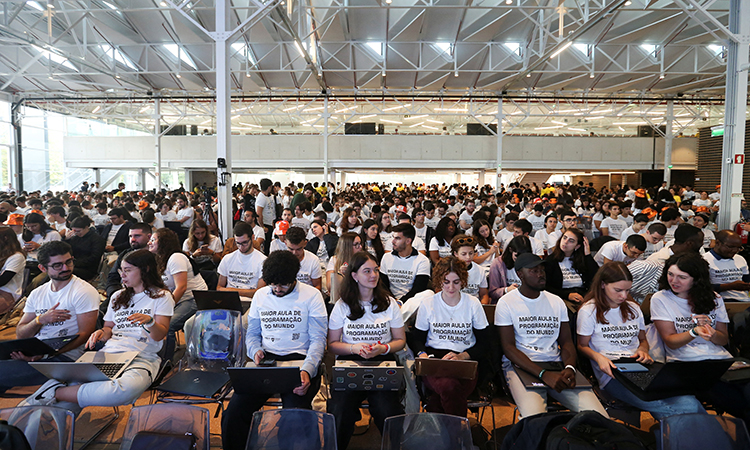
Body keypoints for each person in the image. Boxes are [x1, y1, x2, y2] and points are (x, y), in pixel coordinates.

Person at [21, 249, 174, 415]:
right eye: (121, 270)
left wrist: (150, 322)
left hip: (142, 357)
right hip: (110, 355)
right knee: (62, 406)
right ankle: (32, 426)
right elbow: (108, 329)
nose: (122, 275)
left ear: (146, 270)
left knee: (126, 390)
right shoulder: (118, 296)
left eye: (128, 270)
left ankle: (53, 392)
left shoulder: (162, 296)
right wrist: (101, 333)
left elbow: (159, 335)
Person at [221, 250, 327, 450]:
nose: (278, 289)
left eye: (283, 284)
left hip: (300, 362)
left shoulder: (312, 295)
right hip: (267, 361)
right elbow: (252, 334)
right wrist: (255, 351)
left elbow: (318, 340)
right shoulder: (261, 295)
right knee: (234, 412)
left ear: (294, 278)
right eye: (273, 284)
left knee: (293, 416)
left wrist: (308, 370)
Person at [577, 261, 706, 420]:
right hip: (611, 372)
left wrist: (643, 350)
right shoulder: (589, 310)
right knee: (667, 407)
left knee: (688, 400)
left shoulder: (632, 308)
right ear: (603, 285)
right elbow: (582, 345)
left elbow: (642, 340)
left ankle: (693, 436)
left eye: (627, 290)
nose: (623, 296)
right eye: (618, 290)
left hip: (638, 366)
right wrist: (598, 357)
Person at [496, 253, 608, 419]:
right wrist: (543, 374)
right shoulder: (506, 303)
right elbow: (509, 348)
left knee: (600, 417)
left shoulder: (556, 301)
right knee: (535, 419)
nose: (541, 274)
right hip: (521, 366)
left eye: (542, 270)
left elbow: (566, 341)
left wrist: (570, 367)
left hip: (556, 365)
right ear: (520, 274)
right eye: (534, 271)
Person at [651, 252, 750, 426]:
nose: (674, 281)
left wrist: (711, 334)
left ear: (696, 279)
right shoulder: (661, 298)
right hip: (687, 364)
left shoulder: (714, 298)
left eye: (682, 277)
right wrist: (694, 332)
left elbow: (723, 339)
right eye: (670, 274)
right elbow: (671, 341)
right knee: (739, 403)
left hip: (720, 360)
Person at [327, 252, 405, 449]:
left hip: (382, 359)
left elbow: (400, 341)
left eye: (376, 270)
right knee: (340, 408)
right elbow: (333, 344)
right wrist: (354, 347)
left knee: (388, 408)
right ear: (354, 276)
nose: (374, 275)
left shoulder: (389, 303)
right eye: (367, 271)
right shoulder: (342, 306)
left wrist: (383, 348)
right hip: (350, 359)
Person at [0, 241, 98, 393]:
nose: (65, 268)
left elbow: (85, 334)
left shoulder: (83, 291)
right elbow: (21, 333)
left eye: (68, 262)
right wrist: (40, 320)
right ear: (42, 268)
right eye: (57, 265)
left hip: (65, 358)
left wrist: (46, 355)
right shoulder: (38, 293)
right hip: (38, 352)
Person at [411, 256, 490, 417]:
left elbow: (485, 342)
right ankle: (459, 434)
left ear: (463, 281)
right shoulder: (429, 303)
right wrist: (423, 355)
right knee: (449, 387)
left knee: (443, 393)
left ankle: (444, 435)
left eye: (456, 282)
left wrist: (462, 356)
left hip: (465, 360)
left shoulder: (473, 303)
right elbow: (417, 338)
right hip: (436, 359)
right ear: (439, 280)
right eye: (446, 282)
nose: (451, 287)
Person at [148, 228, 208, 361]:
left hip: (194, 299)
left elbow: (181, 287)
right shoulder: (160, 259)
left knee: (166, 327)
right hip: (180, 300)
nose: (149, 243)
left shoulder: (176, 257)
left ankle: (165, 364)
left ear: (163, 242)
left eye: (153, 239)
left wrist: (165, 307)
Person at [543, 227, 599, 305]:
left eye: (571, 241)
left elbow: (596, 277)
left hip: (583, 295)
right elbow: (546, 287)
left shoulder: (582, 259)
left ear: (577, 246)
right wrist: (567, 295)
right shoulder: (551, 260)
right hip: (561, 297)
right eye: (564, 238)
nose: (565, 242)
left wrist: (588, 255)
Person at [380, 223, 431, 303]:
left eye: (397, 238)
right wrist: (393, 302)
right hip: (389, 300)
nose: (393, 241)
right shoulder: (386, 257)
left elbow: (419, 289)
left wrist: (400, 302)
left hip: (412, 302)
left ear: (408, 241)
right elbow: (383, 285)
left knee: (428, 294)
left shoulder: (422, 260)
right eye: (393, 238)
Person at [217, 222, 267, 302]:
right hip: (229, 301)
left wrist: (231, 290)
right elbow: (219, 288)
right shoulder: (227, 259)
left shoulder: (263, 261)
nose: (241, 247)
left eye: (245, 243)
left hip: (251, 302)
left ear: (253, 238)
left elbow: (259, 292)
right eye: (238, 243)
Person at [703, 230, 750, 302]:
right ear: (717, 243)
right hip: (719, 301)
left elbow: (746, 281)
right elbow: (700, 288)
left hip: (743, 300)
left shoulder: (740, 259)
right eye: (731, 247)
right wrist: (729, 286)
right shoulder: (704, 259)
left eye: (738, 248)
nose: (735, 250)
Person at [488, 236, 532, 303]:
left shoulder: (532, 264)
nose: (520, 260)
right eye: (517, 256)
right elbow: (492, 293)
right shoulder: (497, 264)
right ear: (510, 250)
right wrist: (507, 290)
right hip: (506, 302)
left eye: (523, 257)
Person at [66, 215, 106, 281]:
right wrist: (66, 239)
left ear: (86, 227)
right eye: (74, 231)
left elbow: (94, 258)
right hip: (73, 264)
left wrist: (75, 264)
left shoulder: (97, 239)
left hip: (88, 268)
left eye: (78, 231)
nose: (76, 233)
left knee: (64, 272)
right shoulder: (75, 238)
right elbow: (66, 251)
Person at [285, 226, 323, 291]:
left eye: (299, 249)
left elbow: (317, 286)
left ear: (305, 244)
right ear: (285, 243)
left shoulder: (313, 260)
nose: (294, 253)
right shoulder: (278, 260)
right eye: (291, 249)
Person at [0, 226, 26, 314]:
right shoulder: (2, 254)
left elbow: (3, 280)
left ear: (5, 239)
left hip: (8, 293)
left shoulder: (17, 257)